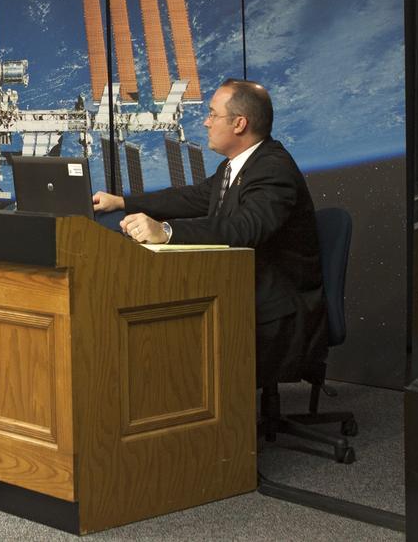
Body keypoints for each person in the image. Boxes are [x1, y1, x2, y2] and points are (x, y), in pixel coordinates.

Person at [92, 78, 325, 383]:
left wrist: (166, 231)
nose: (206, 122)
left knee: (176, 338)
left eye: (213, 114)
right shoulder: (235, 166)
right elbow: (192, 197)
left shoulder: (273, 169)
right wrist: (122, 201)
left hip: (277, 310)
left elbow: (244, 228)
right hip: (242, 289)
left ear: (239, 124)